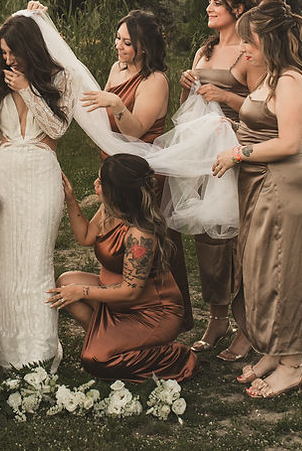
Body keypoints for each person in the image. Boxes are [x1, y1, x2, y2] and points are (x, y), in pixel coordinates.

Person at [212, 0, 302, 398]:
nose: (243, 48)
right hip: (261, 184)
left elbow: (289, 142)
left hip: (283, 186)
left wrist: (238, 153)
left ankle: (293, 365)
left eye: (250, 42)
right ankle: (274, 351)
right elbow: (260, 123)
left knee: (283, 275)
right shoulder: (270, 77)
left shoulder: (290, 79)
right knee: (262, 273)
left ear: (270, 42)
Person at [81, 10, 193, 331]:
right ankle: (123, 311)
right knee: (116, 241)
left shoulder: (154, 81)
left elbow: (134, 130)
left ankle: (164, 314)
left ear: (144, 47)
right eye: (118, 38)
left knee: (148, 242)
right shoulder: (117, 69)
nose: (118, 46)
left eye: (127, 42)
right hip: (116, 169)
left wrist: (115, 104)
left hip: (143, 174)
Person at [0, 13, 77, 369]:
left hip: (41, 172)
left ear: (30, 48)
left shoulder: (61, 78)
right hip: (6, 174)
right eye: (3, 53)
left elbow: (58, 128)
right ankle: (5, 345)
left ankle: (38, 347)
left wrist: (27, 90)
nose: (7, 60)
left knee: (36, 259)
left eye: (12, 52)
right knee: (7, 258)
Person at [50, 155, 198, 383]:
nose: (95, 184)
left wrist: (81, 291)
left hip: (152, 313)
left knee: (94, 359)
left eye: (101, 182)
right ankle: (111, 342)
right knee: (66, 282)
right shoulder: (110, 210)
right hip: (117, 302)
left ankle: (176, 356)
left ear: (116, 193)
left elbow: (130, 291)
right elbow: (86, 236)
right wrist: (70, 199)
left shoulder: (140, 235)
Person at [179, 0, 263, 359]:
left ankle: (246, 327)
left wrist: (224, 98)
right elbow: (190, 108)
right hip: (206, 154)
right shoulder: (204, 51)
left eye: (217, 2)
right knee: (208, 236)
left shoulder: (251, 51)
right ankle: (217, 318)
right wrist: (188, 89)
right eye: (209, 2)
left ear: (238, 7)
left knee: (239, 240)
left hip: (239, 153)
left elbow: (263, 110)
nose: (209, 8)